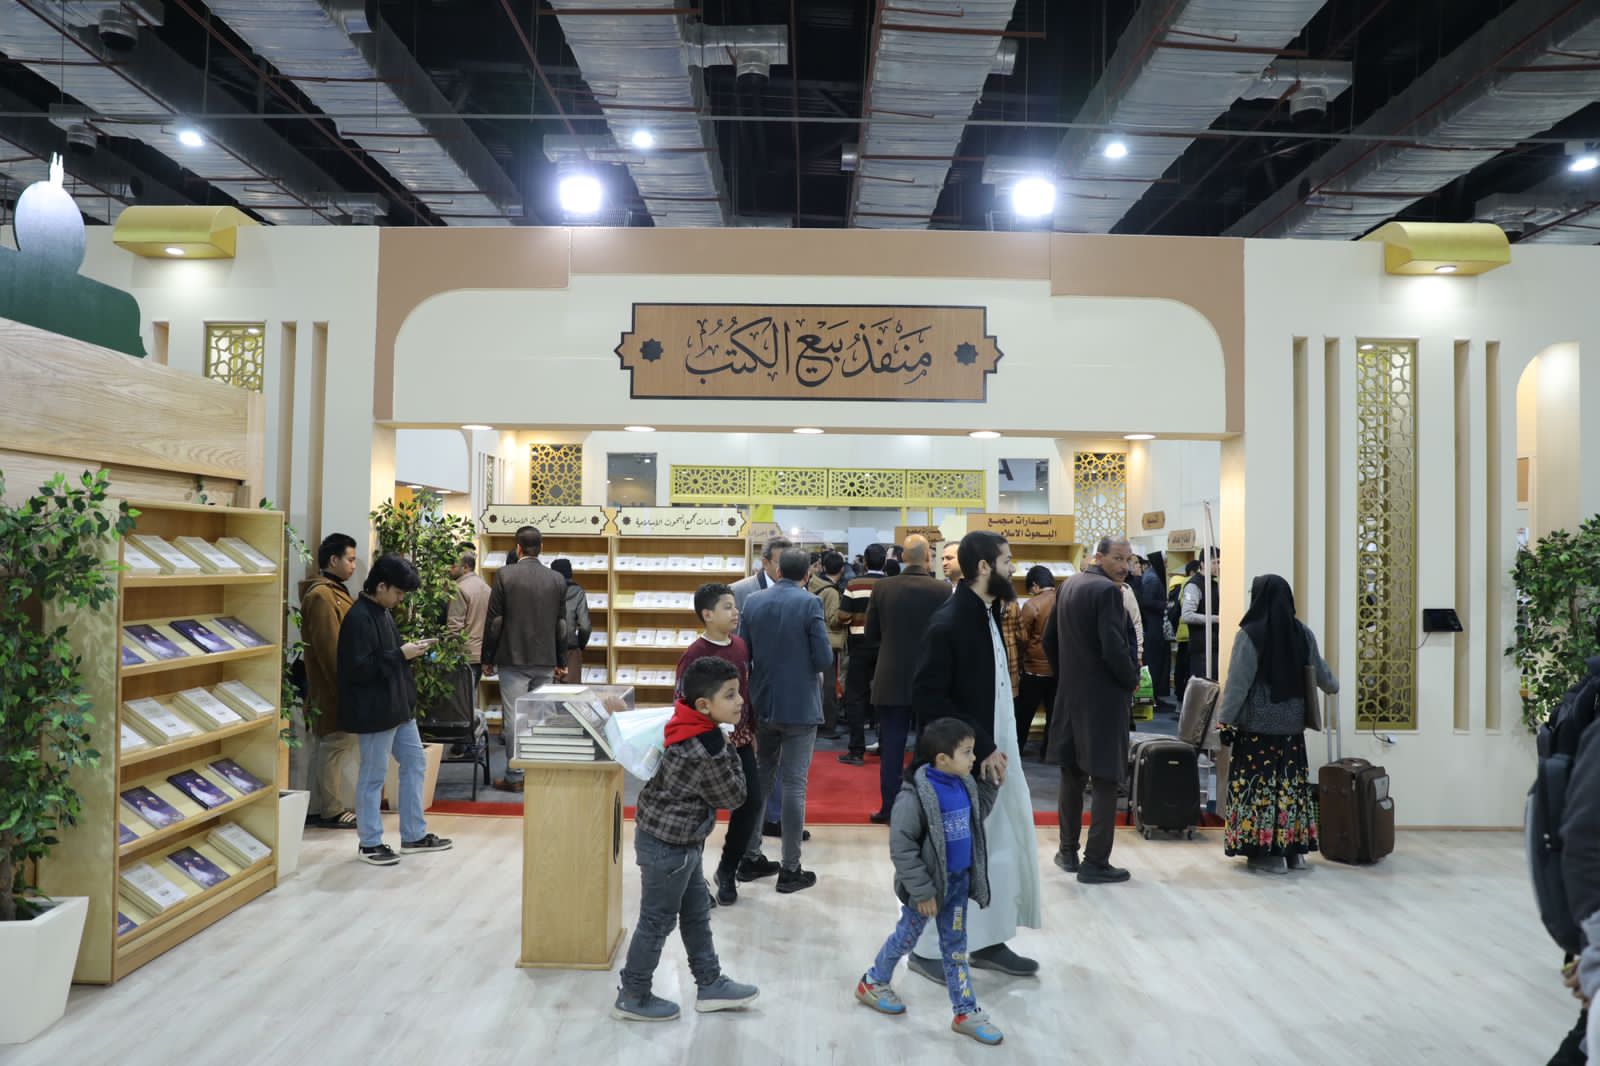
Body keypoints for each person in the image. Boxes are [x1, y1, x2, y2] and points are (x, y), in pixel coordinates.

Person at [906, 530, 1040, 979]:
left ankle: (987, 939)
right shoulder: (949, 621)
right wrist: (979, 747)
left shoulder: (985, 612)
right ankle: (925, 950)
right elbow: (929, 697)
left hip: (994, 756)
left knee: (996, 849)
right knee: (951, 854)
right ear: (984, 567)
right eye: (1006, 560)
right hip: (965, 760)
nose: (1013, 568)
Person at [613, 657, 759, 1022]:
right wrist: (732, 749)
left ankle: (710, 983)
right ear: (704, 705)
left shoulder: (687, 723)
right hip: (670, 848)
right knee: (657, 921)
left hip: (676, 841)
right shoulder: (706, 748)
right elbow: (735, 796)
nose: (740, 700)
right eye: (730, 695)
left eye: (739, 692)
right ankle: (633, 993)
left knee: (696, 914)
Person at [855, 717, 1004, 1046]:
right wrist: (922, 891)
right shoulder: (914, 797)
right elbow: (902, 848)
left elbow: (976, 814)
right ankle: (873, 981)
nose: (974, 758)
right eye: (967, 752)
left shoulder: (964, 784)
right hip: (926, 889)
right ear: (942, 759)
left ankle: (965, 1012)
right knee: (906, 938)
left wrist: (992, 784)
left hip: (958, 885)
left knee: (955, 949)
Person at [1216, 575, 1337, 875]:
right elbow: (1322, 673)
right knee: (1290, 790)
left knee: (1258, 791)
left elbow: (1238, 684)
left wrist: (1224, 720)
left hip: (1257, 730)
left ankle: (1266, 856)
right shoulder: (1301, 632)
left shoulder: (1250, 634)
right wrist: (1333, 685)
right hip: (1292, 730)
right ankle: (1293, 853)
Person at [338, 553, 453, 866]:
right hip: (376, 710)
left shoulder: (383, 612)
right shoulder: (359, 618)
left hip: (399, 707)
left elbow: (388, 657)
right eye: (398, 592)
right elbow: (358, 670)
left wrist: (406, 653)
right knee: (373, 776)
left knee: (415, 764)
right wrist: (401, 655)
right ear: (381, 586)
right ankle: (370, 842)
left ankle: (414, 835)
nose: (401, 599)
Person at [1047, 536, 1140, 884]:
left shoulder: (1068, 585)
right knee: (1106, 778)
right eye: (1118, 558)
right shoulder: (1107, 592)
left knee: (1071, 774)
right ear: (1098, 557)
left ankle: (1067, 851)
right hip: (1104, 699)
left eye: (1128, 559)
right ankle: (1096, 862)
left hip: (1070, 695)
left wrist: (1069, 673)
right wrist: (1131, 679)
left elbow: (1049, 640)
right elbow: (1114, 647)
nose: (1125, 566)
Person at [739, 548, 834, 893]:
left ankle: (750, 858)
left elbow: (743, 652)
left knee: (760, 781)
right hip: (800, 706)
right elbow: (823, 658)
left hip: (762, 702)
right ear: (807, 575)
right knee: (794, 785)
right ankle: (790, 869)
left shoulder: (753, 602)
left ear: (777, 571)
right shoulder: (810, 603)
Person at [675, 583, 767, 903]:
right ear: (707, 615)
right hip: (705, 743)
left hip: (739, 739)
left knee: (751, 801)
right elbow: (681, 700)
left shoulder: (740, 645)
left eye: (734, 606)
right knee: (701, 810)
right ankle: (694, 881)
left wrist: (750, 729)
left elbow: (744, 693)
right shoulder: (694, 654)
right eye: (727, 607)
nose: (735, 612)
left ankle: (728, 869)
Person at [865, 535, 951, 823]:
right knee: (930, 746)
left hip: (891, 676)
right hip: (931, 677)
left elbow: (871, 635)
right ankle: (926, 807)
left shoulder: (882, 588)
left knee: (891, 747)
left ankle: (890, 808)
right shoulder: (943, 590)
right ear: (928, 557)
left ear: (902, 557)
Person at [482, 525, 567, 793]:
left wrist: (487, 657)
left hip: (513, 658)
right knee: (542, 717)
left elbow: (495, 621)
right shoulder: (556, 579)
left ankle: (516, 775)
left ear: (518, 548)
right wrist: (561, 660)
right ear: (541, 548)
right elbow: (561, 624)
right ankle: (541, 772)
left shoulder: (505, 575)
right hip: (546, 659)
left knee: (515, 719)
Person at [300, 532, 358, 829]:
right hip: (332, 688)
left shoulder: (333, 592)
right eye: (350, 559)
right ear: (333, 560)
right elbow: (330, 649)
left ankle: (321, 806)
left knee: (332, 746)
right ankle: (331, 809)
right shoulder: (322, 595)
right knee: (334, 745)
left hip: (337, 685)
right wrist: (345, 688)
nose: (354, 566)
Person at [838, 543, 888, 765]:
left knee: (856, 697)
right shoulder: (891, 585)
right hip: (886, 647)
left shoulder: (854, 584)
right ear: (885, 562)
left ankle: (856, 751)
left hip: (859, 645)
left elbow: (842, 616)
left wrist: (855, 619)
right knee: (885, 697)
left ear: (865, 562)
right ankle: (885, 745)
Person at [1015, 566, 1058, 758]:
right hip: (1058, 668)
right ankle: (1048, 752)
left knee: (1024, 714)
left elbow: (1022, 638)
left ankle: (1018, 748)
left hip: (1034, 668)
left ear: (1034, 585)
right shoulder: (1064, 600)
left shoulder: (1032, 605)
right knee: (1053, 714)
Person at [807, 550, 847, 740]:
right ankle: (827, 726)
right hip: (830, 641)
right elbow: (833, 619)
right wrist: (846, 617)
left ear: (823, 566)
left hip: (815, 640)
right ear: (842, 569)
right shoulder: (831, 591)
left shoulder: (814, 583)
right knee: (829, 686)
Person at [445, 551, 490, 684]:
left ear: (465, 567)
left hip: (464, 653)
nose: (448, 569)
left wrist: (449, 652)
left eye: (453, 566)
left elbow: (454, 625)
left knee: (462, 695)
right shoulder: (486, 587)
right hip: (480, 652)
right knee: (471, 693)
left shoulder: (459, 589)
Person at [549, 558, 592, 682]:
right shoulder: (578, 592)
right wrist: (580, 644)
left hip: (549, 651)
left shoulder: (546, 591)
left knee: (548, 691)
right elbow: (585, 626)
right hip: (570, 649)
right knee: (571, 691)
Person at [1181, 550, 1222, 681]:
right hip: (1201, 648)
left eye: (1220, 562)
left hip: (1214, 645)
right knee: (1203, 687)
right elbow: (1187, 615)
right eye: (1215, 562)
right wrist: (1217, 619)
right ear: (1203, 564)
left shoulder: (1214, 584)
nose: (1218, 566)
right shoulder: (1194, 585)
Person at [731, 536, 792, 619]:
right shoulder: (737, 591)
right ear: (765, 563)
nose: (788, 567)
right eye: (782, 563)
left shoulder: (800, 591)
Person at [1140, 551, 1172, 706]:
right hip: (1154, 626)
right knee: (1154, 663)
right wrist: (1166, 604)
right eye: (1165, 562)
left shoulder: (1150, 576)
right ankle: (1152, 698)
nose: (1166, 565)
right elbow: (1147, 601)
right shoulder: (1153, 579)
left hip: (1153, 625)